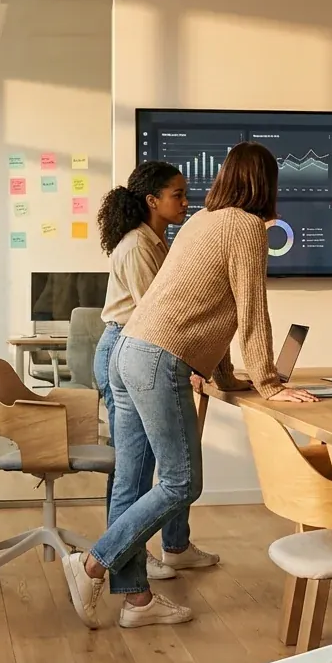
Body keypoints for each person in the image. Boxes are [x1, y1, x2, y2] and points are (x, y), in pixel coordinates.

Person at [62, 142, 318, 630]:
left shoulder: (203, 220)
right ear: (266, 184)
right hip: (158, 359)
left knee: (134, 482)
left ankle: (136, 601)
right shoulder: (245, 227)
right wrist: (267, 382)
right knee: (182, 481)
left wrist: (227, 377)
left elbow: (205, 308)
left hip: (128, 353)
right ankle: (94, 563)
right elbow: (249, 308)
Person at [94, 160, 219, 582]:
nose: (186, 202)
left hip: (143, 348)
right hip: (131, 348)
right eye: (177, 195)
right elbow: (161, 316)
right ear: (152, 200)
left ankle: (174, 546)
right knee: (137, 471)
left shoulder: (157, 241)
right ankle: (124, 559)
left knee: (170, 461)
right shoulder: (137, 246)